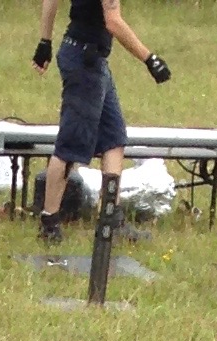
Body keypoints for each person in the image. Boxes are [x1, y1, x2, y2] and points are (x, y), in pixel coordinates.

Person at [31, 0, 169, 246]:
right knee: (71, 145)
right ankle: (49, 222)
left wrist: (45, 41)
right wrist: (150, 59)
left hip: (91, 58)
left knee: (113, 139)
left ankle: (110, 220)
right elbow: (113, 21)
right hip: (85, 61)